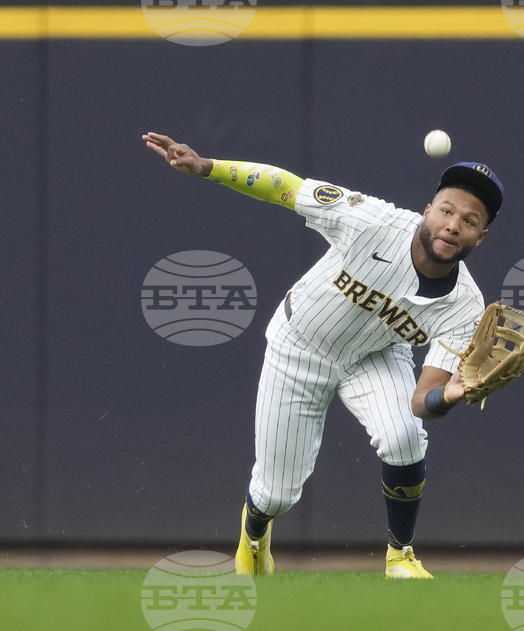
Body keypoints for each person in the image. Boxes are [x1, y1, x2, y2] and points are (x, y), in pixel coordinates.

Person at [142, 132, 504, 578]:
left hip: (374, 355)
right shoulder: (372, 220)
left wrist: (449, 393)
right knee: (276, 494)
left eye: (468, 221)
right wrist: (207, 167)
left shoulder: (466, 305)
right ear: (428, 212)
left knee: (404, 438)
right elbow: (285, 185)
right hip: (300, 347)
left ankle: (400, 555)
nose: (453, 225)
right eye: (446, 211)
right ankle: (255, 537)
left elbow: (421, 401)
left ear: (480, 237)